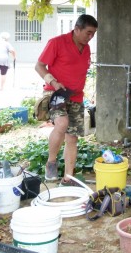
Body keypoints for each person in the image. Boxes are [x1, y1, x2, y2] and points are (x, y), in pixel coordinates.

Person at [35, 14, 98, 184]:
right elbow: (39, 66)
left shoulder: (85, 48)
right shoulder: (57, 42)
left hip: (76, 96)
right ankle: (51, 162)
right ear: (77, 29)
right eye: (88, 32)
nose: (90, 37)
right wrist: (53, 82)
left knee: (72, 137)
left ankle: (68, 176)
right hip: (56, 93)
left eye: (93, 34)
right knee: (62, 124)